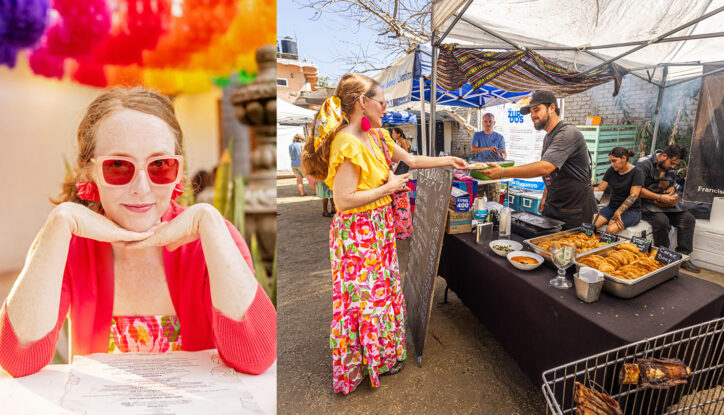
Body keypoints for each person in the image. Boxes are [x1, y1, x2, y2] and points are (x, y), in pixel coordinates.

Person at [0, 87, 276, 377]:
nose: (142, 189)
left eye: (160, 165)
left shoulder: (212, 239)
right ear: (90, 173)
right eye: (118, 165)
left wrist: (209, 220)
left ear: (178, 171)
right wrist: (60, 221)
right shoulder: (70, 244)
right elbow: (18, 360)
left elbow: (256, 356)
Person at [301, 73, 467, 394]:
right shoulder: (347, 142)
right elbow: (343, 200)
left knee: (381, 295)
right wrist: (388, 187)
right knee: (364, 300)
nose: (386, 107)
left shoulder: (377, 136)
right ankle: (362, 364)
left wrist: (448, 159)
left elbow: (411, 159)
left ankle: (382, 357)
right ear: (363, 103)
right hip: (357, 234)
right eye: (381, 101)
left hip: (378, 228)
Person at [477, 90, 594, 228]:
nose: (532, 115)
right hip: (554, 205)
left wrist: (502, 172)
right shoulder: (549, 137)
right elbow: (553, 171)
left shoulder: (567, 133)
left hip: (574, 210)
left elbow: (545, 167)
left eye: (536, 110)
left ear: (551, 108)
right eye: (531, 112)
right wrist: (545, 196)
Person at [634, 144, 701, 273]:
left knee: (688, 219)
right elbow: (637, 189)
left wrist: (672, 188)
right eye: (672, 163)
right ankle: (663, 257)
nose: (673, 167)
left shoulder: (669, 167)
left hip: (663, 202)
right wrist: (659, 197)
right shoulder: (643, 164)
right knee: (662, 221)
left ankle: (683, 257)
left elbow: (672, 182)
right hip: (644, 202)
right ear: (664, 156)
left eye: (676, 164)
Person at [593, 147, 642, 234]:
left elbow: (633, 195)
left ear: (624, 158)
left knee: (610, 230)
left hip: (631, 211)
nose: (612, 164)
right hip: (611, 208)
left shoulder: (637, 172)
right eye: (610, 161)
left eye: (614, 161)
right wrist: (584, 189)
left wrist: (618, 212)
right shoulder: (611, 170)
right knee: (592, 224)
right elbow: (600, 188)